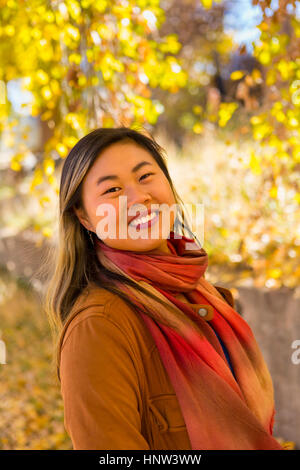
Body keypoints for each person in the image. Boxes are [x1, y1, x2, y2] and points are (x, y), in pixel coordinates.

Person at [45, 126, 284, 450]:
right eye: (112, 189)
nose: (138, 197)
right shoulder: (99, 326)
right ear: (84, 217)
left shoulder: (201, 291)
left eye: (145, 177)